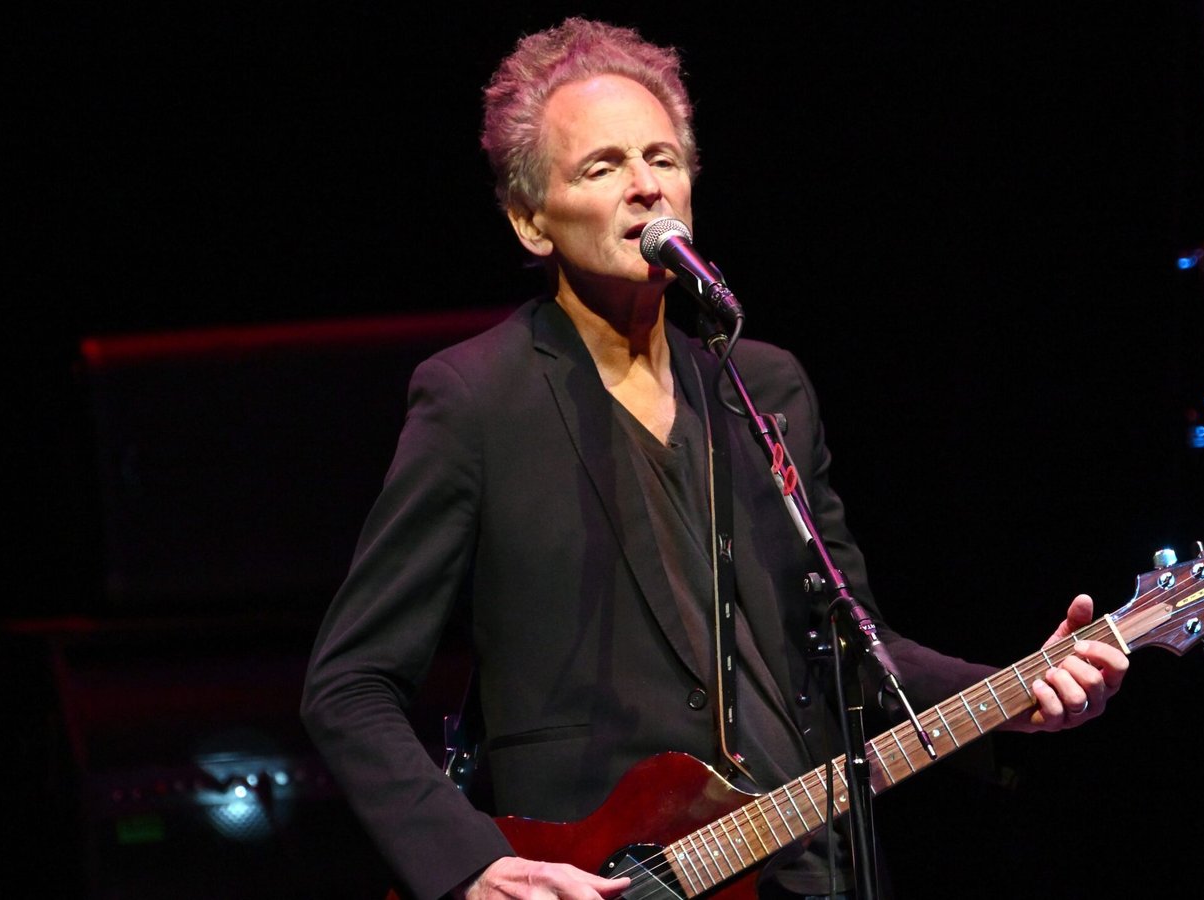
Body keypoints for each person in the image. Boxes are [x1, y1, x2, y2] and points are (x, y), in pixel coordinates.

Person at [301, 18, 1128, 900]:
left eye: (662, 159)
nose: (645, 186)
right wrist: (472, 866)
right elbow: (348, 684)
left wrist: (1015, 693)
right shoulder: (477, 400)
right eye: (602, 167)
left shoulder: (762, 387)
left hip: (813, 869)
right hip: (611, 876)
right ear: (531, 221)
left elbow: (857, 651)